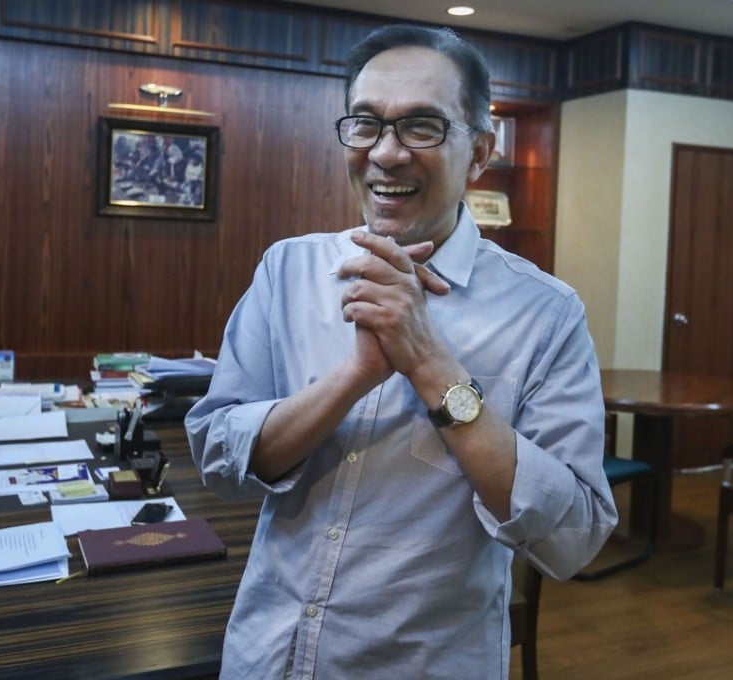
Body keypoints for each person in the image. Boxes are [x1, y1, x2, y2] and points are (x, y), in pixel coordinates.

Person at [185, 24, 617, 679]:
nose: (386, 154)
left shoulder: (546, 312)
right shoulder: (288, 271)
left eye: (422, 127)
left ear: (479, 152)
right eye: (366, 124)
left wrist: (430, 367)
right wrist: (357, 375)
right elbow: (217, 456)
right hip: (267, 654)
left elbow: (574, 537)